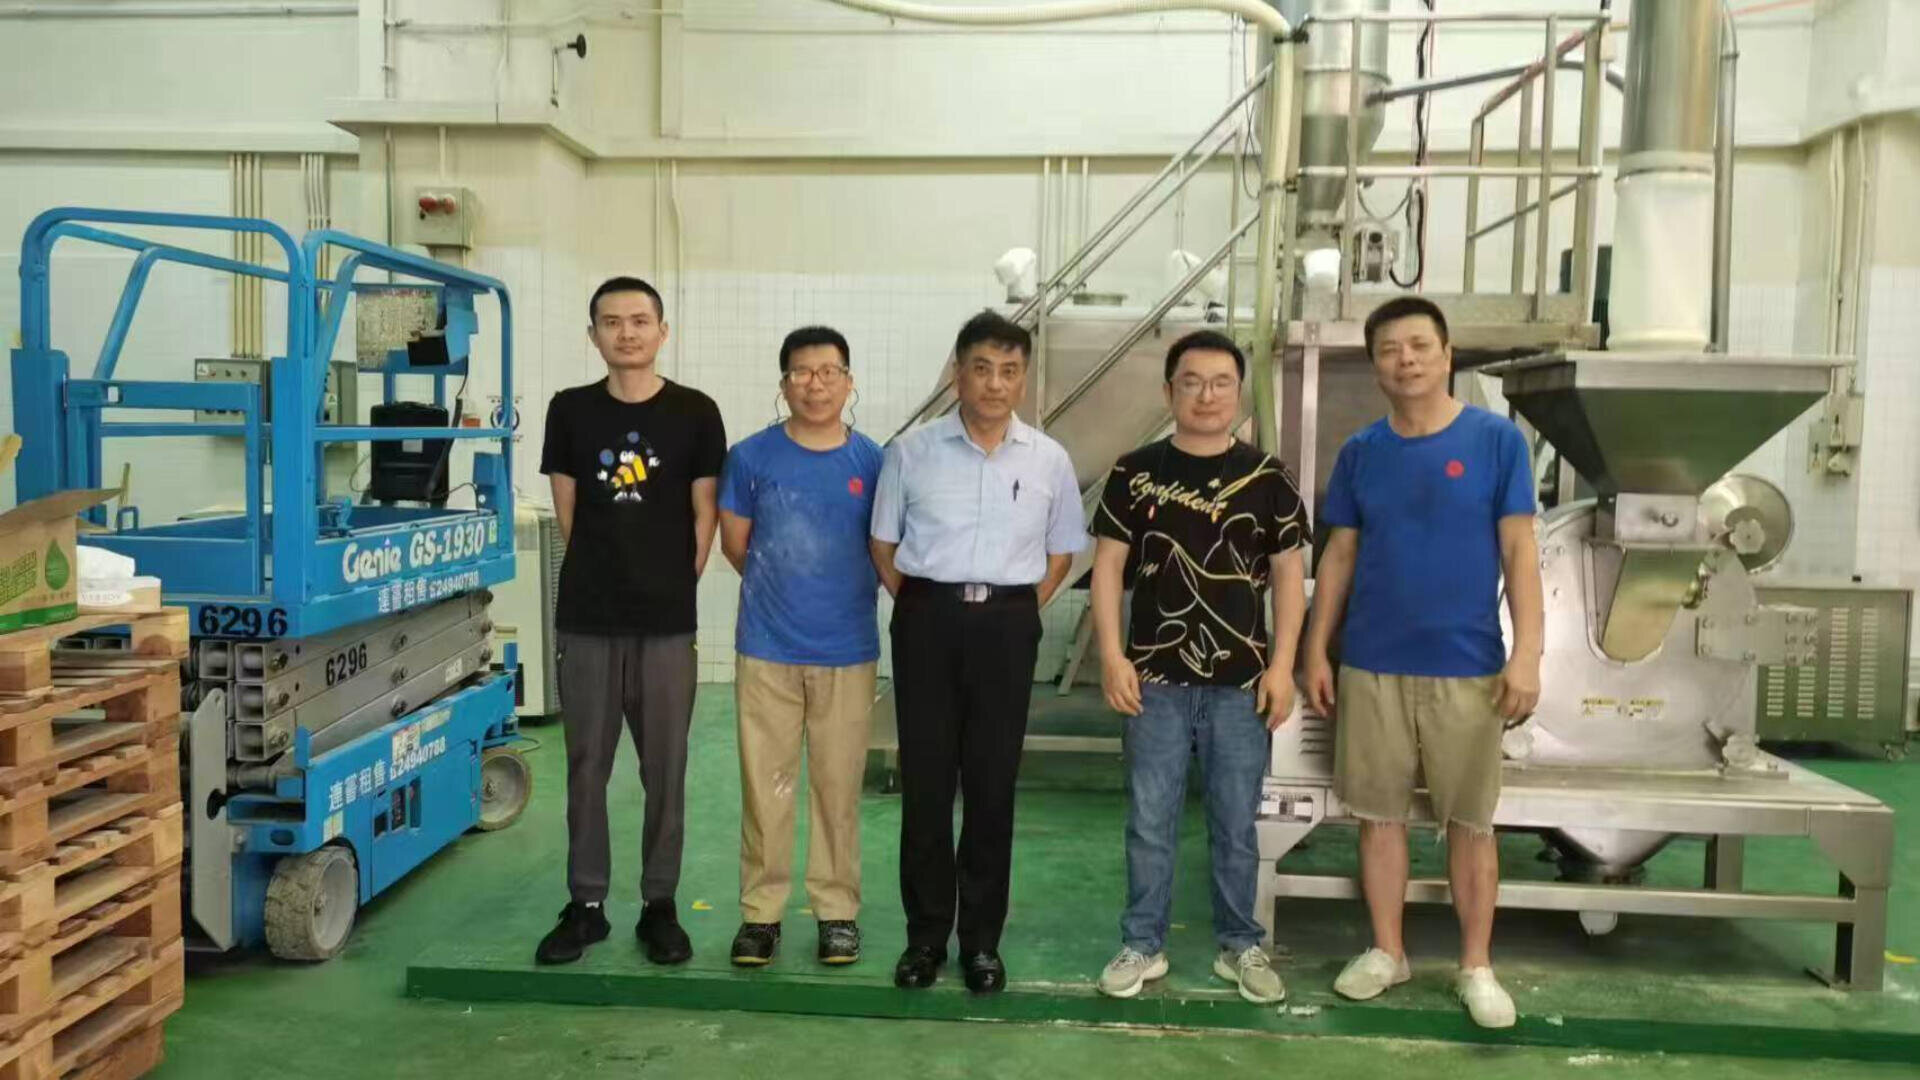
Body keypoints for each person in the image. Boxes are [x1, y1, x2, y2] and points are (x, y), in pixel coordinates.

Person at [1300, 295, 1543, 1028]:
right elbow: (1338, 555)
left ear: (1446, 355)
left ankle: (1476, 966)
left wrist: (1527, 654)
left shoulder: (1496, 442)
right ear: (1375, 365)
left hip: (1469, 667)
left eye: (1419, 346)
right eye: (1389, 349)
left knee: (1470, 823)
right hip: (1371, 663)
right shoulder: (1361, 452)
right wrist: (1316, 648)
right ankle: (1388, 951)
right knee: (1378, 818)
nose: (1405, 360)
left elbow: (1519, 551)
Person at [1088, 330, 1308, 1005]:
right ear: (1169, 392)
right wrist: (1112, 656)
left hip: (1242, 685)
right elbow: (1108, 568)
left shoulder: (1269, 478)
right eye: (1191, 382)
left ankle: (1240, 945)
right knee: (1149, 820)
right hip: (1153, 682)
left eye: (1220, 383)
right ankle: (1142, 944)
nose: (1206, 395)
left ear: (1238, 394)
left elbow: (1289, 576)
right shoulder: (1133, 471)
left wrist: (1282, 667)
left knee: (1235, 823)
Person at [869, 310, 1086, 994]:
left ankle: (982, 944)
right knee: (927, 786)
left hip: (1008, 626)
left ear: (1023, 379)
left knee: (993, 786)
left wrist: (1012, 610)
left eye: (1009, 370)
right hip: (927, 620)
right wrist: (927, 605)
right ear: (958, 373)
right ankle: (925, 939)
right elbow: (883, 543)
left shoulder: (1048, 458)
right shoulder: (911, 453)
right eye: (982, 368)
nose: (995, 383)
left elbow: (1061, 552)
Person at [535, 276, 726, 967]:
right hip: (587, 618)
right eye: (611, 322)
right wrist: (607, 575)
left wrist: (669, 585)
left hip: (666, 623)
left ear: (662, 331)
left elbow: (705, 515)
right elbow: (569, 513)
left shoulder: (696, 412)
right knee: (586, 766)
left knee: (665, 768)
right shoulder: (570, 410)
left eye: (639, 320)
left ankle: (659, 904)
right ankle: (586, 904)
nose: (626, 332)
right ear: (593, 336)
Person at [718, 326, 884, 968]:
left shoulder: (872, 462)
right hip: (768, 648)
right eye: (801, 373)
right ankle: (761, 915)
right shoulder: (750, 458)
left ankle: (836, 912)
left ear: (849, 382)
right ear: (784, 383)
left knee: (837, 788)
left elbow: (885, 548)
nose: (815, 384)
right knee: (767, 787)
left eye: (828, 371)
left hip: (848, 650)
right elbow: (738, 546)